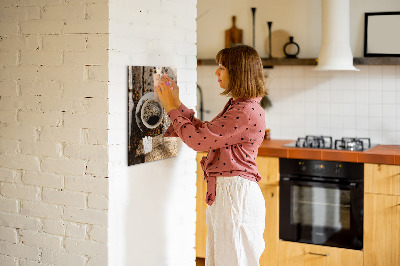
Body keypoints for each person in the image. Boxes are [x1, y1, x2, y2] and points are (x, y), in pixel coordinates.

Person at [155, 44, 267, 266]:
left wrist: (170, 108)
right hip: (230, 195)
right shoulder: (240, 106)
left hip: (235, 197)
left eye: (222, 67)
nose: (217, 73)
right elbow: (206, 133)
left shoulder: (244, 111)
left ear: (238, 72)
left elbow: (198, 141)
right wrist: (176, 104)